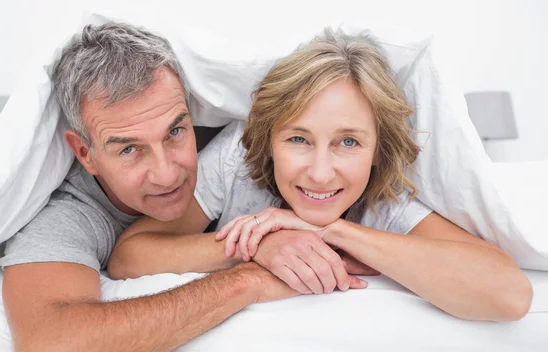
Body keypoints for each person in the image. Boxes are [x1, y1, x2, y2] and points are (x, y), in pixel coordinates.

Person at [109, 29, 533, 321]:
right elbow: (130, 256)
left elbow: (510, 295)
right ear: (268, 140)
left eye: (349, 142)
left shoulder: (382, 196)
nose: (320, 173)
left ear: (375, 151)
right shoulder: (237, 160)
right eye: (298, 139)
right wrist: (261, 244)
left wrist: (334, 232)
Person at [0, 22, 302, 352]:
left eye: (175, 132)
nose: (167, 173)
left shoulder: (233, 146)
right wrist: (246, 278)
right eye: (129, 149)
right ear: (84, 153)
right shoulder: (69, 216)